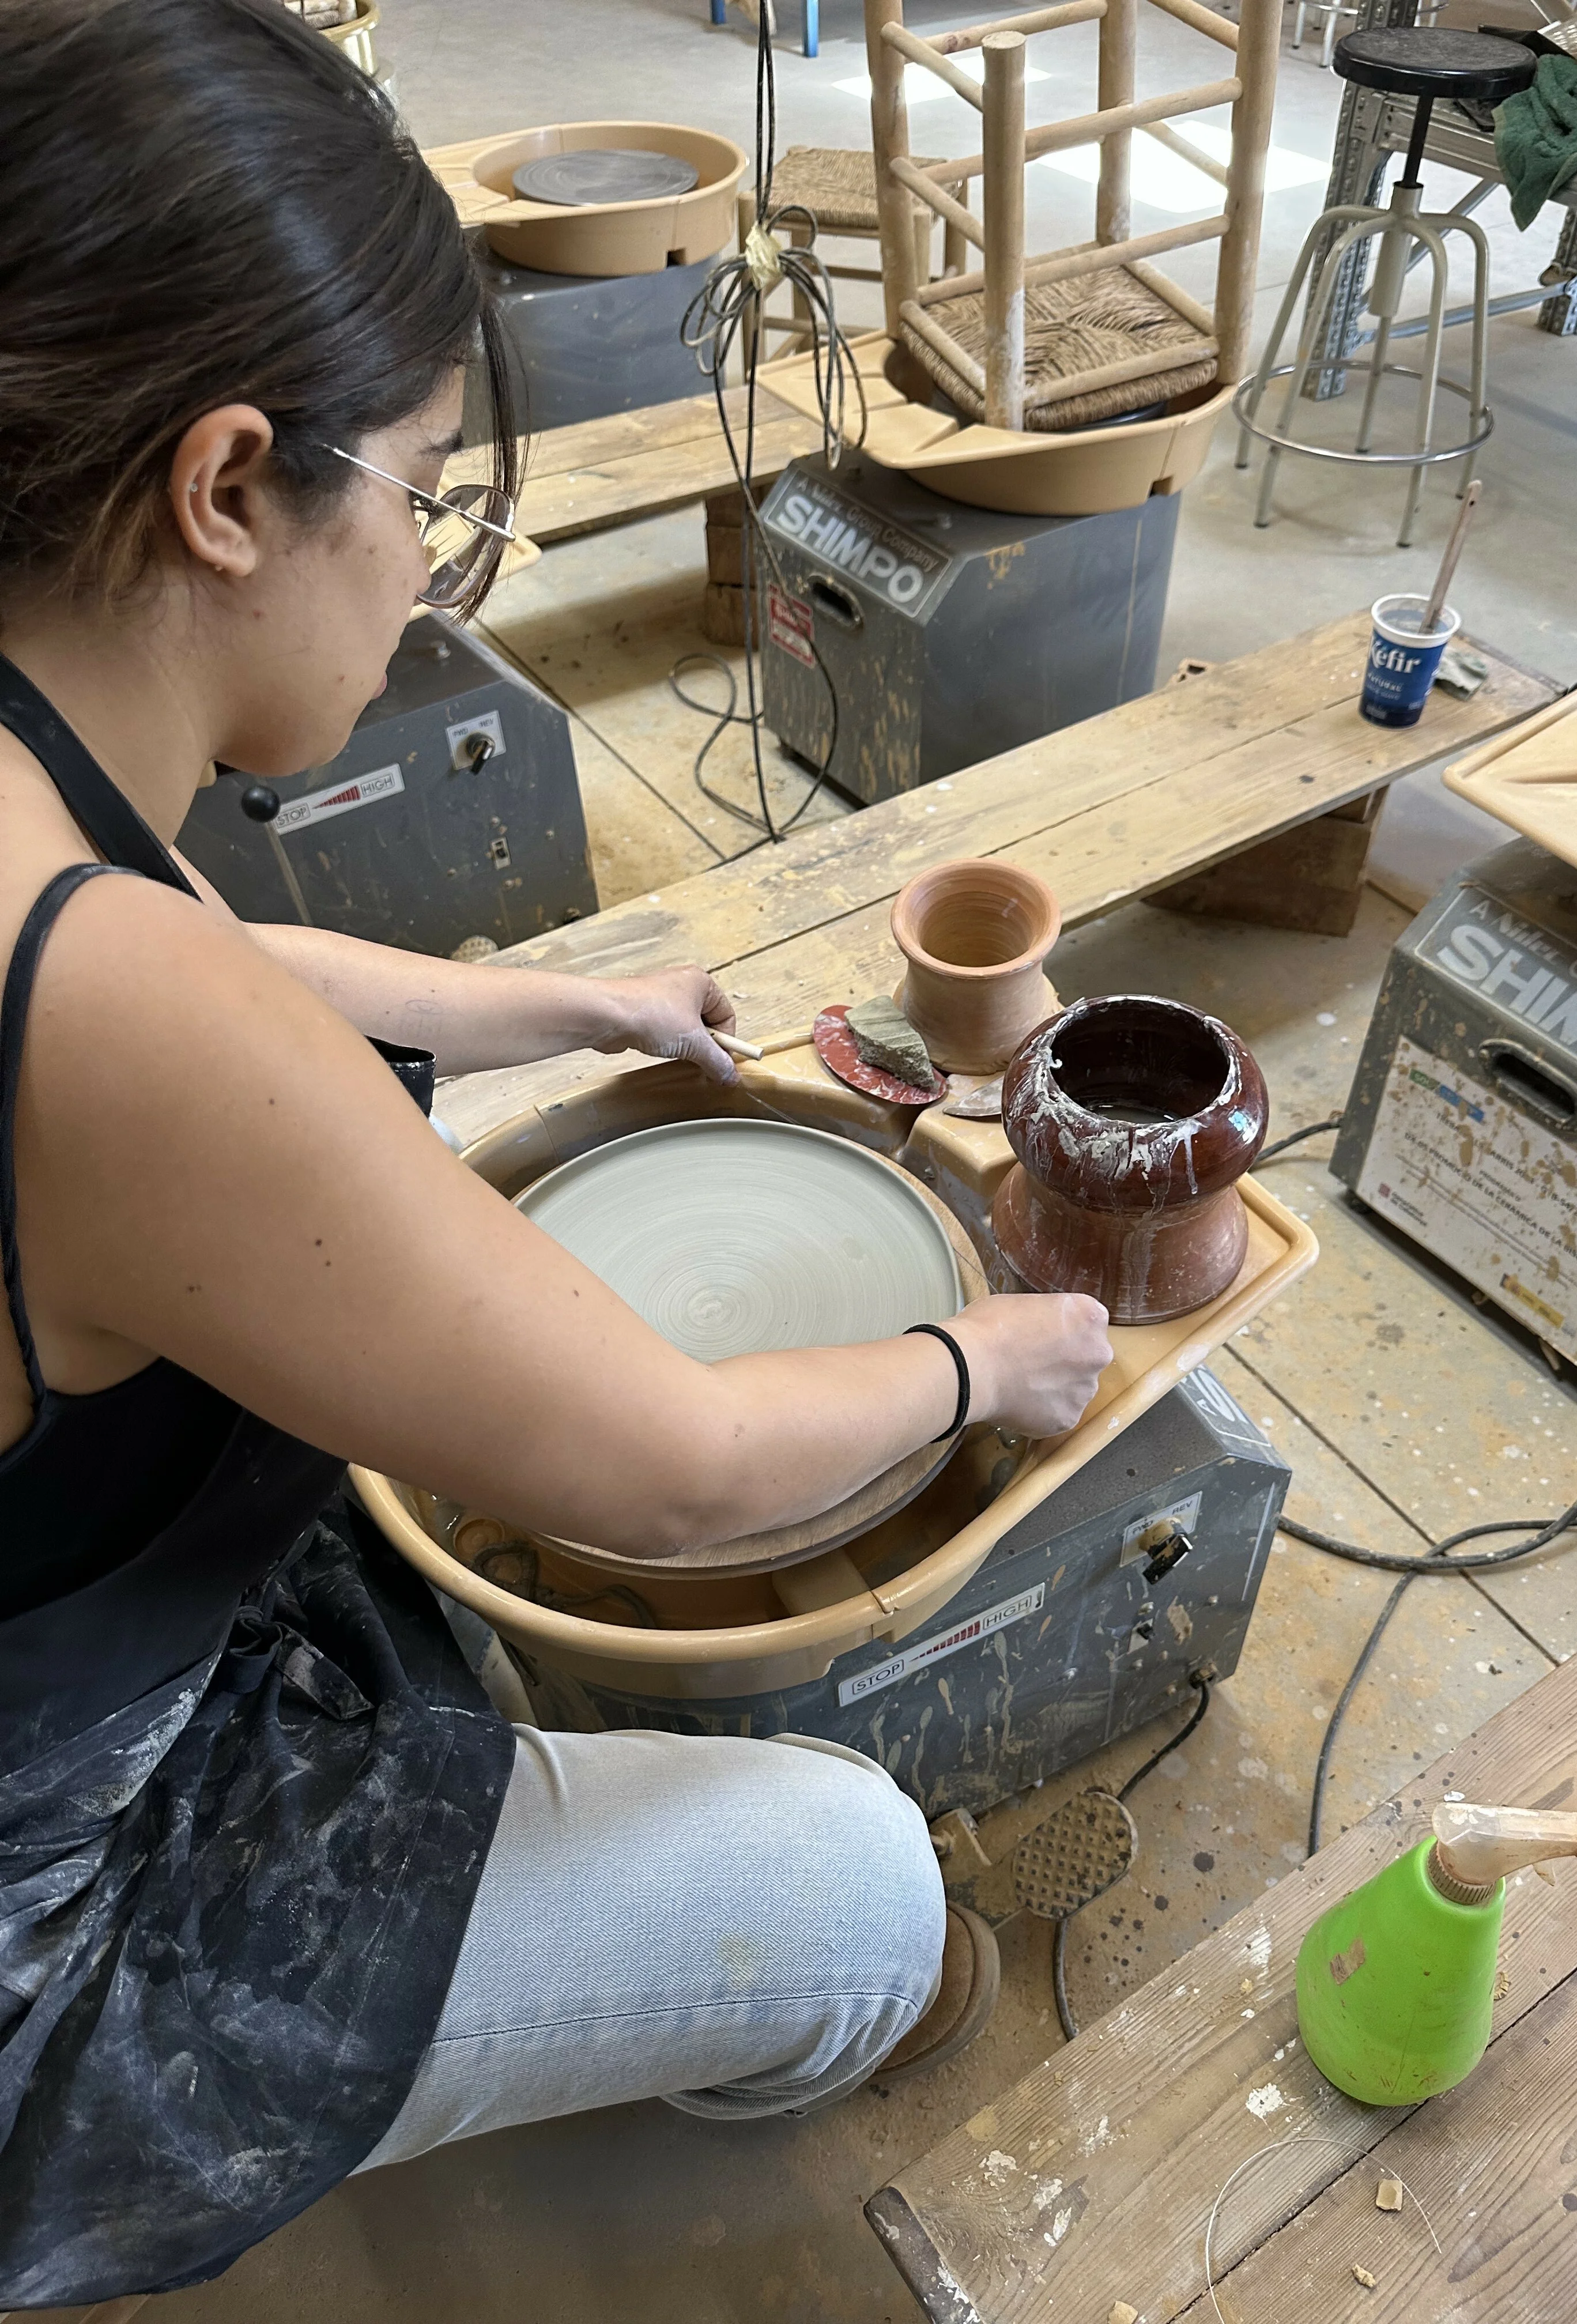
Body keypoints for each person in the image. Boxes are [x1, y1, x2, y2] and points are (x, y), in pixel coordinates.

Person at [0, 0, 1114, 2303]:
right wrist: (976, 1360)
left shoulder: (38, 773)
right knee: (853, 1888)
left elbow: (206, 956)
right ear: (227, 488)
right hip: (34, 1922)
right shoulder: (113, 1027)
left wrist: (569, 1006)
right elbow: (681, 1474)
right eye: (424, 489)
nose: (429, 565)